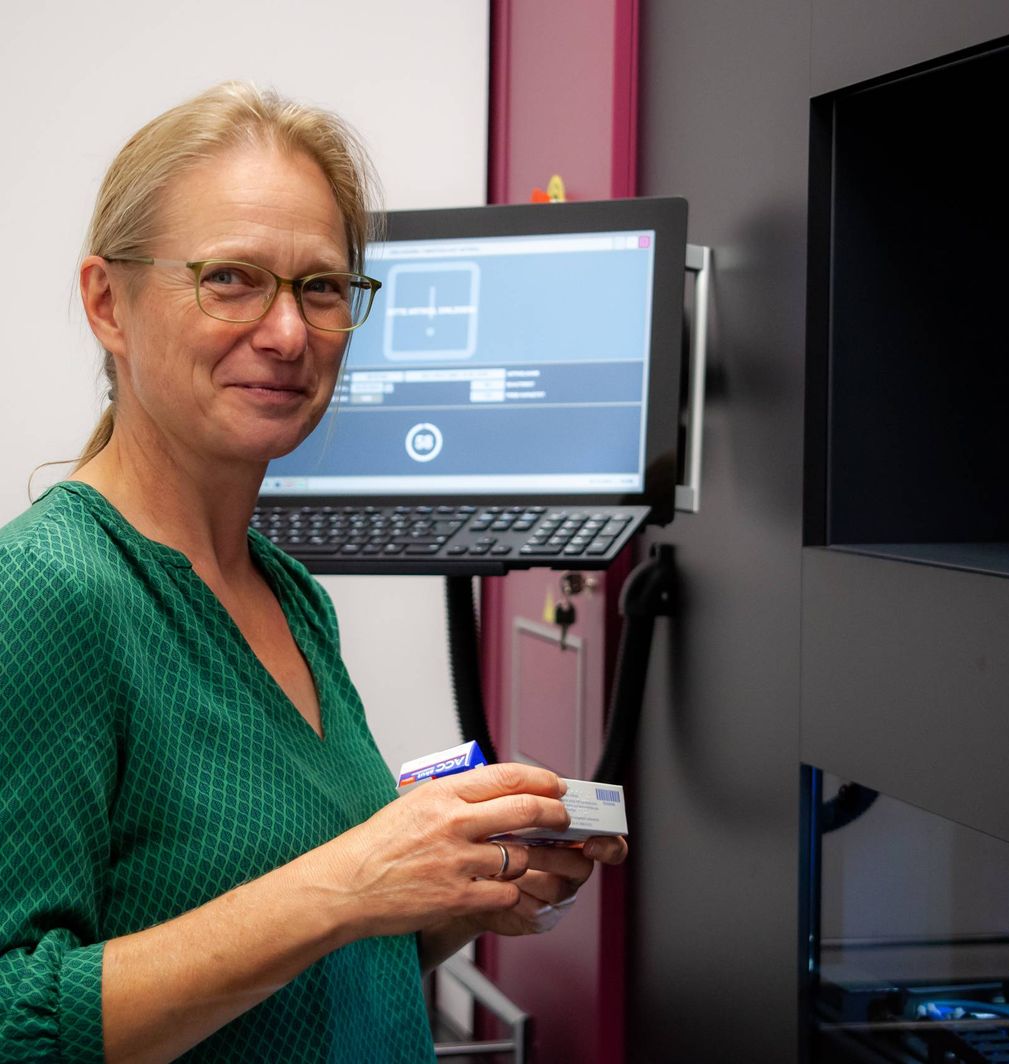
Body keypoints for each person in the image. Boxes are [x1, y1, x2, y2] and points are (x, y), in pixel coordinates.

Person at [0, 82, 627, 1063]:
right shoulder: (48, 592)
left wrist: (462, 890)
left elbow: (311, 961)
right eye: (231, 278)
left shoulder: (289, 596)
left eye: (322, 287)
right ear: (106, 302)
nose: (289, 333)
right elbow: (17, 1022)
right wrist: (352, 880)